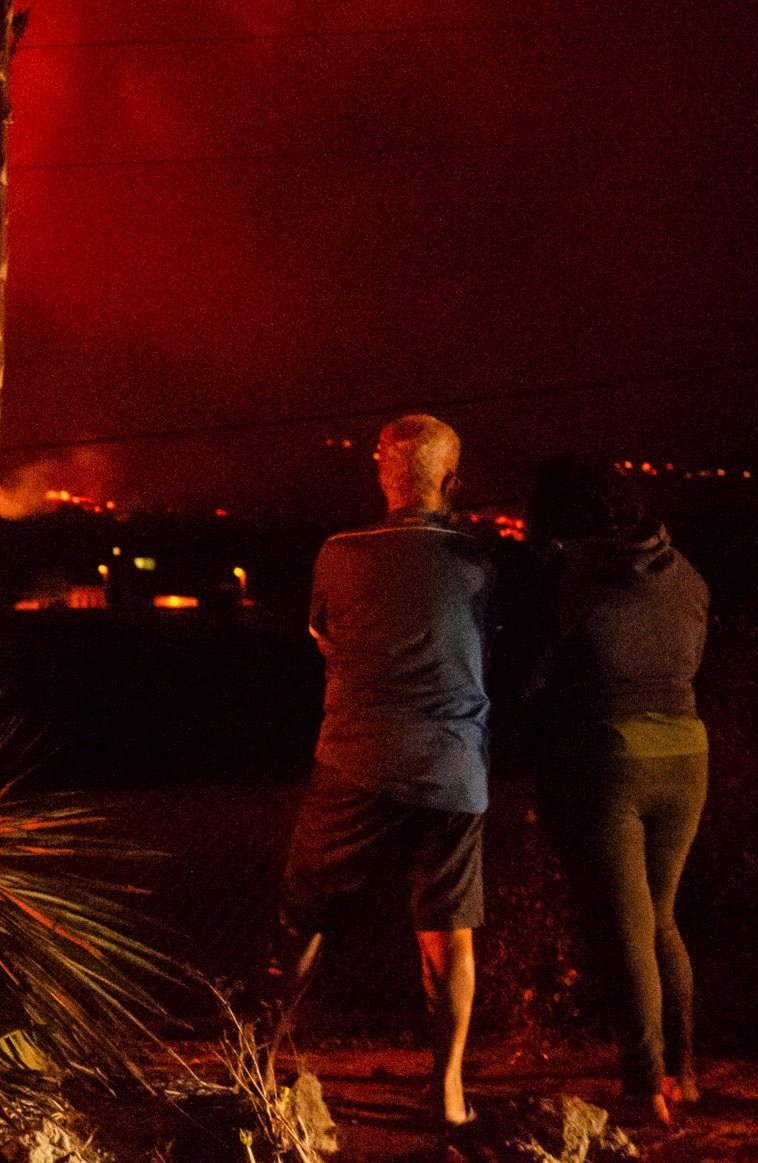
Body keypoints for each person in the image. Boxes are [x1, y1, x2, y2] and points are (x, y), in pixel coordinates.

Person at [270, 413, 492, 1129]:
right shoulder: (480, 560)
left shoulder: (338, 553)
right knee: (448, 931)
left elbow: (321, 638)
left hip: (355, 756)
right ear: (450, 481)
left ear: (380, 475)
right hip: (452, 765)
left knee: (302, 915)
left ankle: (263, 1053)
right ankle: (448, 1090)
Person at [521, 455, 710, 1128]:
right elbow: (689, 656)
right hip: (687, 750)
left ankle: (639, 1087)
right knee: (660, 916)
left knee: (623, 928)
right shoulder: (685, 573)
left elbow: (533, 672)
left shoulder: (573, 578)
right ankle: (680, 1072)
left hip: (608, 754)